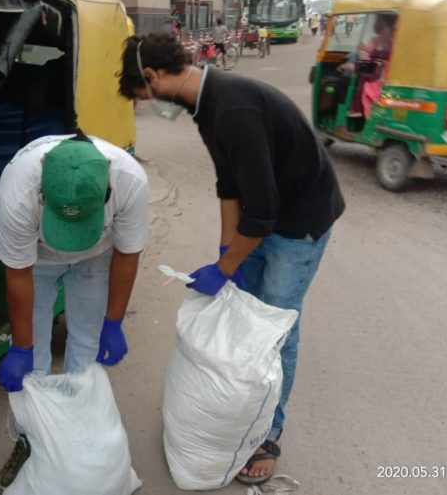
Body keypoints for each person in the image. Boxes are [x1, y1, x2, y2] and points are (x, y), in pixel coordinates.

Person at [118, 32, 345, 486]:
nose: (150, 106)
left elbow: (260, 214)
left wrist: (224, 269)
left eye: (145, 97)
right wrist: (228, 255)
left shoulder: (234, 109)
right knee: (245, 311)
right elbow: (230, 185)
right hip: (271, 212)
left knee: (274, 326)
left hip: (300, 221)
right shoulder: (207, 106)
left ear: (152, 75)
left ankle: (268, 436)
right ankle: (240, 411)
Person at [0, 132, 149, 492]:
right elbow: (17, 273)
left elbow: (127, 254)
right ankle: (33, 439)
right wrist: (20, 347)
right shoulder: (18, 189)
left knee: (88, 346)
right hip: (37, 262)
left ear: (107, 192)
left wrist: (114, 322)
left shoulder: (130, 181)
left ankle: (82, 439)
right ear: (43, 195)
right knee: (34, 363)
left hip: (97, 254)